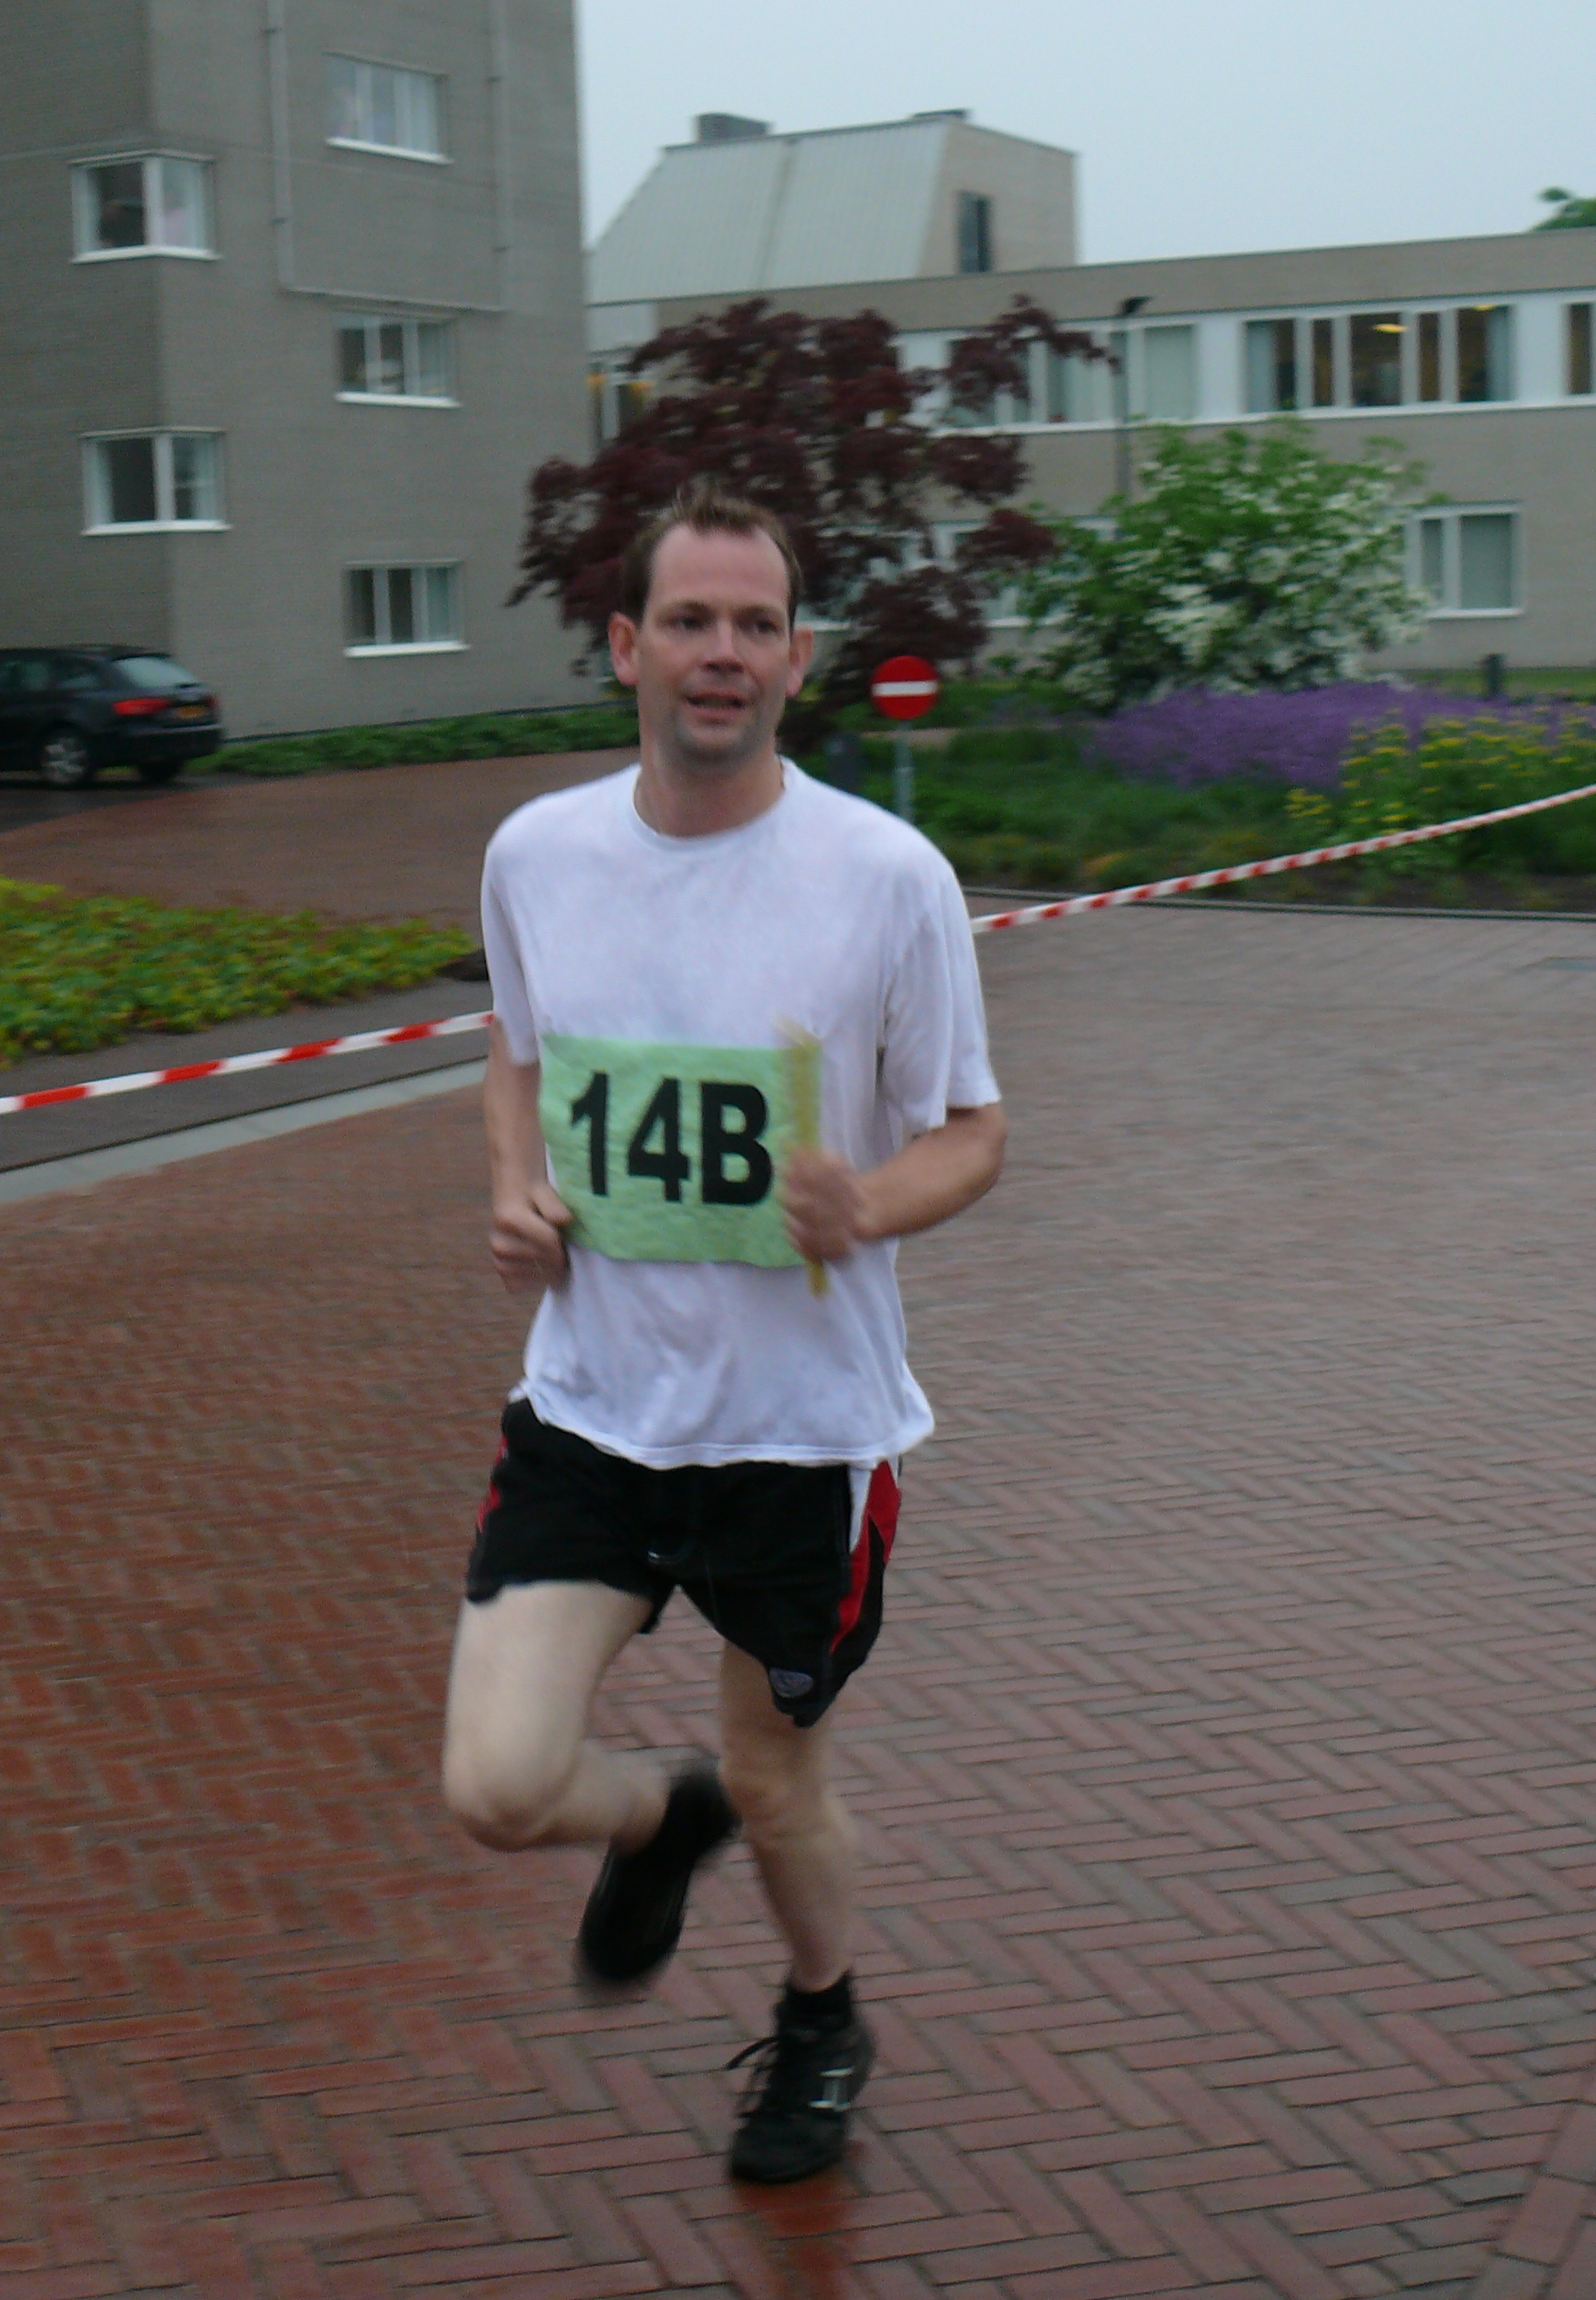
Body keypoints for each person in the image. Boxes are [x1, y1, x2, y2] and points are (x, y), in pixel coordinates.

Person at [441, 477, 1006, 2186]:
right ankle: (656, 1812)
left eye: (756, 625)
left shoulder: (885, 877)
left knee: (779, 1785)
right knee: (498, 1784)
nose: (722, 652)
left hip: (798, 1436)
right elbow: (517, 1058)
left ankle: (822, 2016)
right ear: (626, 646)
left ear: (796, 659)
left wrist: (867, 1206)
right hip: (594, 1413)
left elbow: (973, 1131)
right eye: (688, 620)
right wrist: (515, 1187)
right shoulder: (536, 856)